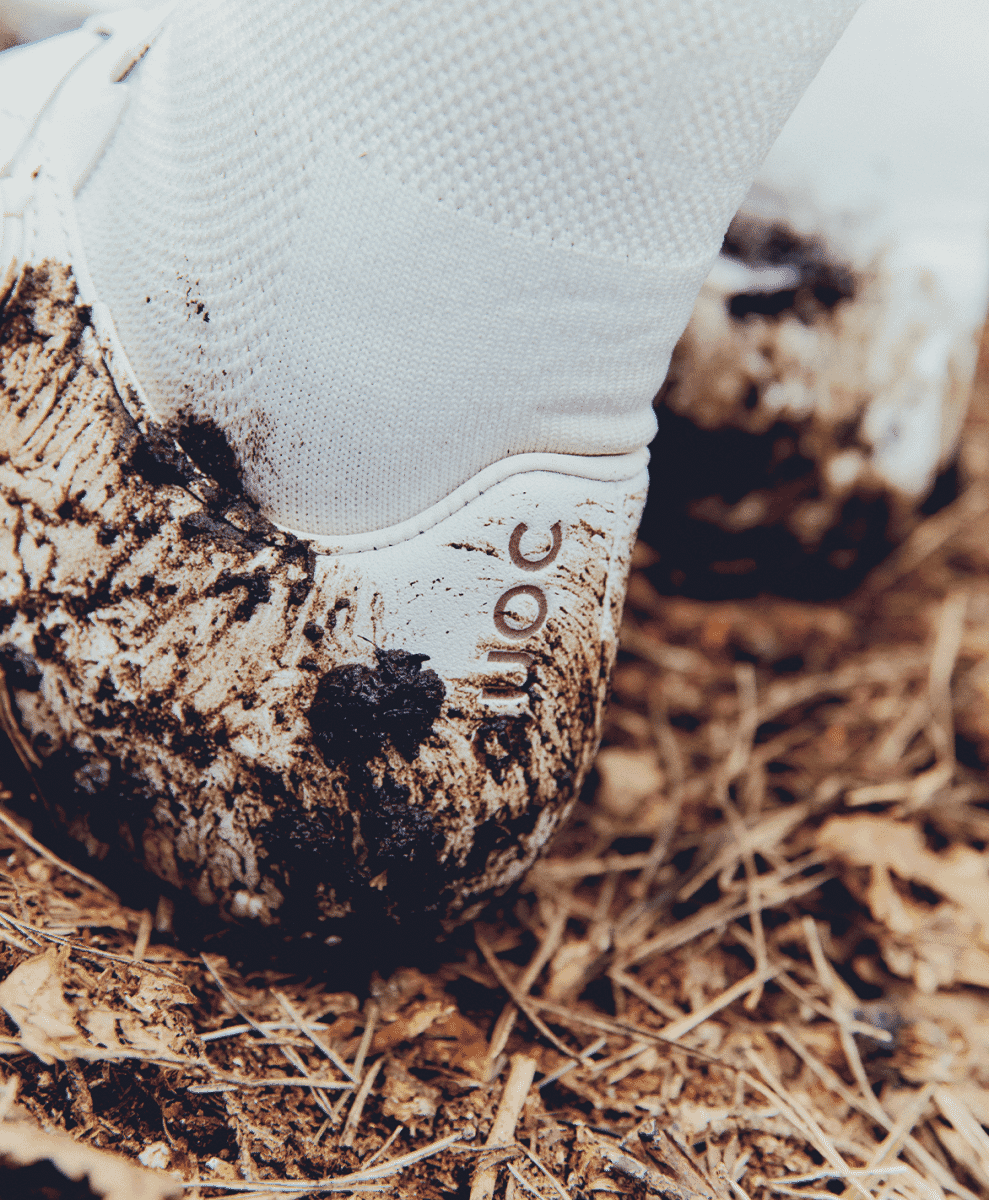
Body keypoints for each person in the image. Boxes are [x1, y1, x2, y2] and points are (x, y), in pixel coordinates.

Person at [0, 1, 874, 940]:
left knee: (400, 155)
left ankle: (308, 325)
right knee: (663, 197)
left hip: (241, 373)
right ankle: (835, 196)